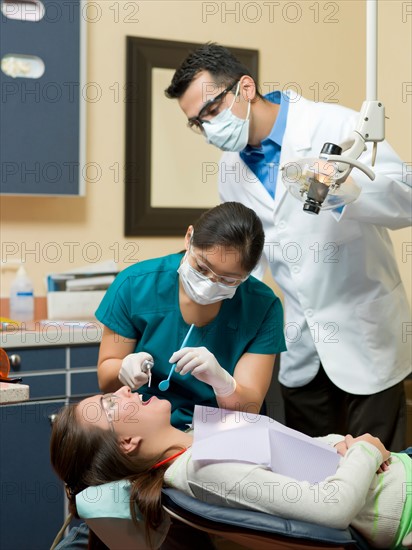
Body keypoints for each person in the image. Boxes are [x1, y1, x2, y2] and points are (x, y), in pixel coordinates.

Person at [165, 43, 412, 450]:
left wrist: (349, 190)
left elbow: (405, 199)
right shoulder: (231, 170)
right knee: (310, 475)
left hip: (367, 337)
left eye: (211, 111)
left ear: (245, 88)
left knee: (374, 475)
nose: (208, 128)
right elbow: (250, 264)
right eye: (197, 122)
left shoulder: (336, 124)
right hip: (300, 345)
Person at [50, 386, 412, 550]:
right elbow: (332, 508)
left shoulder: (194, 438)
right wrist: (364, 450)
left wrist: (339, 445)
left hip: (393, 471)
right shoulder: (202, 470)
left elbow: (293, 455)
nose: (126, 390)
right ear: (127, 443)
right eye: (113, 405)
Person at [95, 201, 286, 430]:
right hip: (146, 425)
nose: (209, 284)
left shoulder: (262, 306)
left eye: (228, 280)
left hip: (222, 430)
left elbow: (249, 407)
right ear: (189, 237)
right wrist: (123, 368)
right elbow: (106, 379)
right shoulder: (135, 285)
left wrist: (224, 384)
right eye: (202, 268)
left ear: (247, 275)